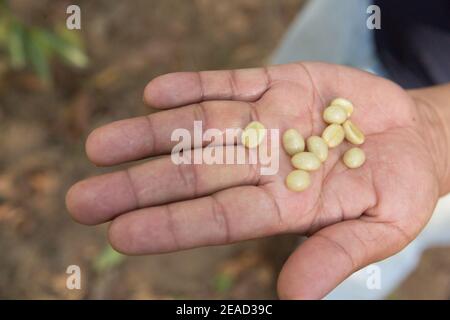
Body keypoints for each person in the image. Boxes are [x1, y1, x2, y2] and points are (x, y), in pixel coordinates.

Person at [66, 0, 450, 299]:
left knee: (352, 255)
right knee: (283, 87)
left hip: (425, 143)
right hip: (368, 14)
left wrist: (437, 132)